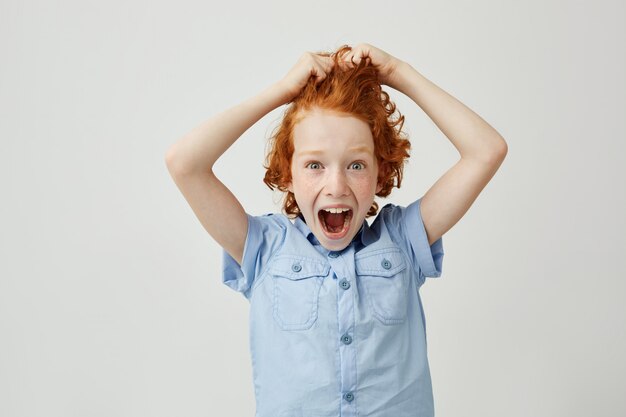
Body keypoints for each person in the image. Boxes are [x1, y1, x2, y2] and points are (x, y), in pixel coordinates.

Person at [165, 43, 507, 417]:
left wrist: (397, 72)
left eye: (356, 165)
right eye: (314, 165)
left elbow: (486, 150)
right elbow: (184, 163)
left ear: (380, 171)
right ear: (288, 173)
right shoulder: (263, 248)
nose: (337, 185)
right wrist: (282, 91)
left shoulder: (403, 240)